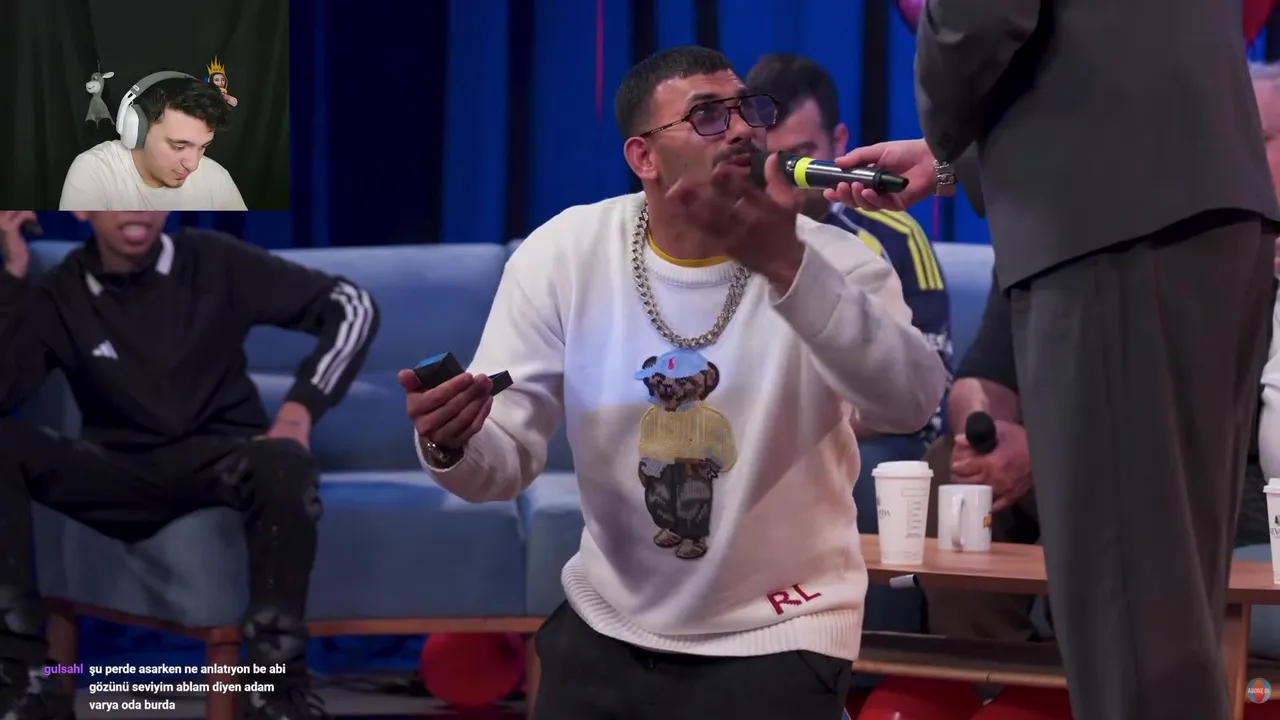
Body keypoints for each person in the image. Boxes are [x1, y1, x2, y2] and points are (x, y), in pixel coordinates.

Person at [401, 46, 947, 719]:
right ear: (644, 157)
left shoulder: (835, 259)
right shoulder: (565, 253)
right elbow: (504, 461)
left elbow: (910, 402)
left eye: (747, 110)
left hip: (780, 629)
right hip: (609, 619)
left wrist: (787, 267)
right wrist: (452, 442)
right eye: (708, 116)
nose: (741, 129)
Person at [830, 4, 1280, 717]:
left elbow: (979, 15)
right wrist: (949, 158)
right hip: (1195, 218)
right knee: (1169, 609)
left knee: (1131, 620)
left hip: (1113, 226)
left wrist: (949, 123)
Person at [0, 210, 379, 719]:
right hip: (119, 472)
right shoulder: (60, 293)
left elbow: (352, 305)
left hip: (221, 458)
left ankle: (274, 693)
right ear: (81, 207)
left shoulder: (213, 259)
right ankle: (20, 685)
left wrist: (300, 409)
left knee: (284, 461)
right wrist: (12, 277)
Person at [746, 51, 953, 641]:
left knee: (873, 474)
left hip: (872, 438)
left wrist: (805, 420)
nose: (786, 175)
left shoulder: (893, 235)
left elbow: (927, 394)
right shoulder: (729, 235)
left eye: (800, 156)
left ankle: (874, 666)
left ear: (839, 142)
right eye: (770, 159)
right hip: (758, 434)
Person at [59, 76, 246, 211]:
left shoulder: (217, 178)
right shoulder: (94, 170)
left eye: (203, 146)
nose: (193, 165)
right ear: (136, 130)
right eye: (179, 146)